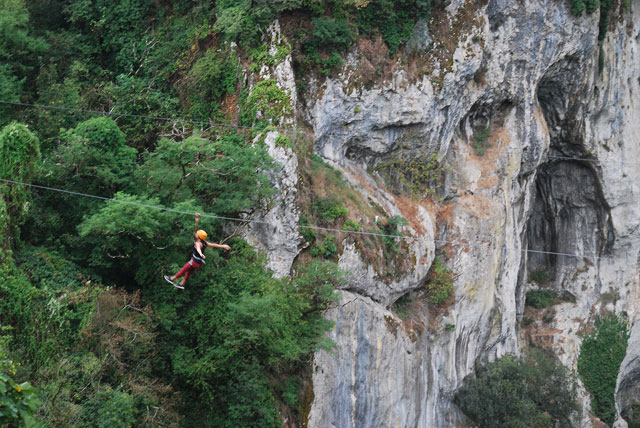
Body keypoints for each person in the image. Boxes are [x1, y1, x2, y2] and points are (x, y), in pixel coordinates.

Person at [164, 212, 230, 289]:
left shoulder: (198, 243)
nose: (195, 234)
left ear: (198, 237)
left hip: (194, 261)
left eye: (197, 234)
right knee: (188, 272)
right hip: (199, 263)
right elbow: (214, 245)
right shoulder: (204, 242)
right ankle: (181, 284)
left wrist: (201, 254)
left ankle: (171, 279)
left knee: (183, 270)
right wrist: (223, 246)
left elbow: (198, 249)